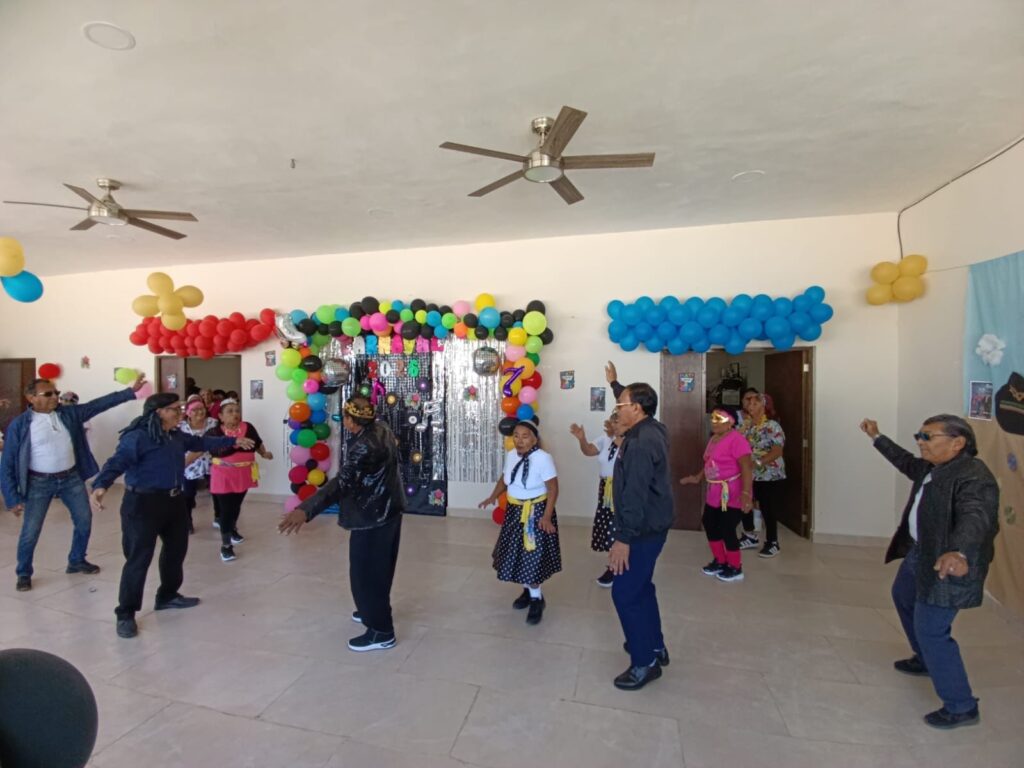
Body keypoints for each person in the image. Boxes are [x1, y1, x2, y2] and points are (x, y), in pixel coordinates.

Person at [860, 415, 999, 729]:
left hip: (948, 562)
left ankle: (962, 706)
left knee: (932, 629)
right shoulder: (931, 467)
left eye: (927, 436)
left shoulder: (974, 476)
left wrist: (959, 551)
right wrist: (876, 436)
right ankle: (924, 658)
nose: (920, 442)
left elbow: (977, 516)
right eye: (919, 435)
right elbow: (903, 460)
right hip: (921, 553)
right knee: (902, 596)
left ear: (958, 442)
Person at [90, 393, 253, 639]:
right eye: (175, 409)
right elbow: (117, 462)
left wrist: (233, 441)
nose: (180, 413)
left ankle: (167, 596)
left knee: (176, 552)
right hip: (142, 504)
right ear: (158, 413)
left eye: (180, 408)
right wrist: (100, 485)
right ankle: (125, 613)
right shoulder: (137, 437)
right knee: (138, 558)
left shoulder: (175, 435)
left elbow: (201, 442)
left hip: (174, 501)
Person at [279, 396, 405, 652]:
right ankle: (370, 610)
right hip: (388, 509)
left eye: (345, 418)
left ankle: (381, 631)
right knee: (379, 570)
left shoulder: (365, 445)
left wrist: (305, 509)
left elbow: (341, 483)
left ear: (351, 420)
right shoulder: (381, 428)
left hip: (373, 516)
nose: (344, 423)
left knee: (366, 575)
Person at [1, 375, 147, 592]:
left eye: (56, 393)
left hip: (71, 479)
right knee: (31, 530)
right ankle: (23, 572)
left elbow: (98, 405)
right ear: (31, 398)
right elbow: (7, 462)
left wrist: (129, 392)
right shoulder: (20, 425)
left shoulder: (68, 414)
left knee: (84, 520)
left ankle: (76, 560)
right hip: (38, 483)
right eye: (48, 394)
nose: (55, 397)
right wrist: (11, 497)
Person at [608, 382, 674, 691]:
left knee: (624, 593)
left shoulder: (640, 442)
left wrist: (623, 539)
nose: (617, 409)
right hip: (652, 525)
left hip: (642, 530)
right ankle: (654, 645)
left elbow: (634, 494)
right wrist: (615, 384)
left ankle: (644, 663)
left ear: (636, 408)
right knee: (642, 587)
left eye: (621, 404)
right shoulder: (652, 429)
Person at [479, 420, 560, 626]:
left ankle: (537, 599)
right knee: (517, 554)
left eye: (525, 436)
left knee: (532, 556)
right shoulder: (511, 455)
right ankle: (528, 591)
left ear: (534, 439)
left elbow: (553, 488)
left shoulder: (543, 458)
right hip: (515, 512)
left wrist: (546, 517)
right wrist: (492, 496)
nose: (519, 440)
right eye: (516, 435)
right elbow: (505, 479)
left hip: (535, 512)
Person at [680, 408, 754, 582]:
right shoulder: (714, 439)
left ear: (730, 422)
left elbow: (746, 467)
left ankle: (735, 567)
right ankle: (720, 560)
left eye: (719, 419)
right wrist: (697, 477)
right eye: (713, 419)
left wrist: (746, 493)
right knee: (709, 522)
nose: (714, 422)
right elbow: (710, 463)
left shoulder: (737, 439)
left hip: (732, 491)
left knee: (727, 527)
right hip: (715, 491)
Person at [206, 399, 273, 562]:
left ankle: (232, 529)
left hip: (244, 473)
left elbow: (257, 443)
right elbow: (217, 451)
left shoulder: (247, 427)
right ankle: (226, 545)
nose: (235, 414)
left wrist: (264, 453)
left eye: (237, 410)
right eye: (230, 411)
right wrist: (236, 443)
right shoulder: (214, 432)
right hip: (222, 474)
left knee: (235, 506)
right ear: (220, 416)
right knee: (226, 509)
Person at [569, 412, 623, 587]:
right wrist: (581, 439)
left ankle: (616, 568)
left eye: (619, 422)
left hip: (622, 489)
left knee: (618, 528)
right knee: (608, 527)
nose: (615, 425)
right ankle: (615, 564)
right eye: (613, 422)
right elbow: (588, 451)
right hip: (605, 488)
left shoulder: (632, 441)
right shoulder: (605, 439)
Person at [738, 388, 786, 557]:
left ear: (764, 406)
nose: (750, 406)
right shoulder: (747, 426)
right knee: (745, 503)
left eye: (755, 403)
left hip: (769, 474)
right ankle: (750, 535)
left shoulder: (772, 426)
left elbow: (777, 451)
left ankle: (772, 542)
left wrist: (757, 463)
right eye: (749, 403)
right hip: (749, 473)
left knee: (767, 507)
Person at [178, 397, 219, 534]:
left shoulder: (213, 423)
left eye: (202, 409)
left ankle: (218, 517)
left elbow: (212, 442)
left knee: (217, 492)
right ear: (188, 412)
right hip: (189, 465)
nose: (200, 412)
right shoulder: (181, 427)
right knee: (188, 494)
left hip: (211, 463)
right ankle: (187, 521)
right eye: (195, 410)